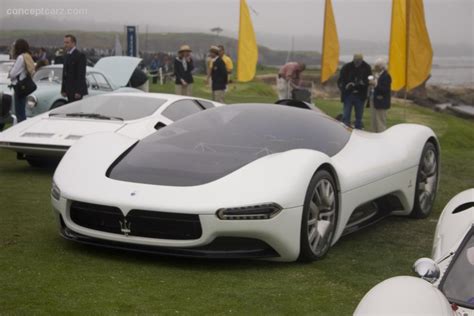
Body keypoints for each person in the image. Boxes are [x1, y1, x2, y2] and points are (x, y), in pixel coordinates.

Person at [337, 54, 372, 129]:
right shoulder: (346, 67)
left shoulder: (367, 68)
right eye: (356, 61)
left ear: (362, 60)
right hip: (348, 95)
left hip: (360, 96)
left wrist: (364, 83)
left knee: (359, 118)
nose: (357, 63)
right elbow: (340, 81)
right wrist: (344, 89)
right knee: (346, 116)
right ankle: (345, 131)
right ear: (353, 59)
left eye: (359, 61)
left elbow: (369, 80)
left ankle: (358, 132)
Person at [8, 39, 35, 123]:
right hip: (24, 86)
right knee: (22, 109)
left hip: (19, 86)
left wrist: (10, 72)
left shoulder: (20, 57)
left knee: (19, 111)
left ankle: (21, 128)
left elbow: (12, 74)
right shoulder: (27, 56)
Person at [61, 34, 88, 103]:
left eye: (67, 42)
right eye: (64, 42)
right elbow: (64, 73)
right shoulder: (67, 55)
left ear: (73, 43)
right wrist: (63, 89)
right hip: (68, 90)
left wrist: (79, 91)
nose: (65, 44)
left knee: (75, 112)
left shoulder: (80, 56)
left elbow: (81, 74)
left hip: (76, 91)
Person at [370, 58, 392, 133]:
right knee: (374, 121)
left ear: (381, 67)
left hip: (381, 102)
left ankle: (381, 138)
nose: (375, 67)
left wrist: (375, 84)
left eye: (377, 66)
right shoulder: (377, 75)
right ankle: (374, 136)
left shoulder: (386, 76)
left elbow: (385, 89)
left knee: (380, 122)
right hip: (374, 100)